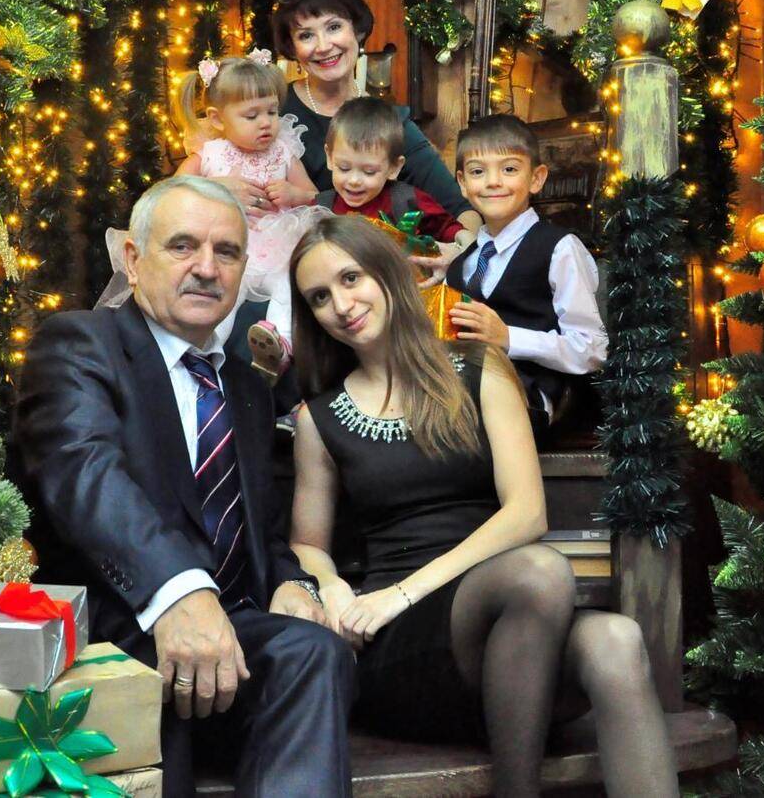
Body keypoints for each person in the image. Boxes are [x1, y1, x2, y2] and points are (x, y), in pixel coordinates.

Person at [286, 216, 678, 798]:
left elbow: (527, 514)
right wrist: (332, 585)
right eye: (320, 297)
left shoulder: (480, 368)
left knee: (616, 641)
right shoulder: (317, 418)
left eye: (351, 278)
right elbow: (307, 544)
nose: (341, 305)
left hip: (498, 617)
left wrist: (404, 591)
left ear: (389, 275)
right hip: (404, 648)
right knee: (538, 571)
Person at [14, 177, 355, 797]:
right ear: (133, 259)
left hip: (232, 639)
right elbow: (85, 475)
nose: (206, 268)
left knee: (313, 651)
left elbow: (259, 528)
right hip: (119, 638)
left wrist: (291, 582)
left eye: (227, 252)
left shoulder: (246, 387)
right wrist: (178, 593)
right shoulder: (80, 344)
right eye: (182, 246)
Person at [271, 0, 477, 235]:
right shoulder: (272, 109)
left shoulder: (390, 122)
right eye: (306, 35)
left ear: (357, 31)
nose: (323, 46)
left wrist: (458, 250)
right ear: (292, 48)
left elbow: (461, 212)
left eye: (334, 27)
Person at [443, 115, 607, 439]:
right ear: (462, 183)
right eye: (478, 171)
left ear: (536, 178)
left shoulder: (559, 249)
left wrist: (508, 337)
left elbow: (592, 350)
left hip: (535, 401)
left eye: (509, 169)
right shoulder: (460, 266)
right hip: (463, 396)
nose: (493, 182)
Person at [172, 51, 328, 381]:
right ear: (217, 119)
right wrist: (213, 186)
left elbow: (315, 196)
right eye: (251, 115)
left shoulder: (283, 152)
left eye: (272, 111)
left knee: (289, 282)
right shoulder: (210, 154)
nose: (266, 122)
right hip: (229, 250)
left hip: (278, 248)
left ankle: (278, 346)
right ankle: (204, 350)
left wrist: (293, 193)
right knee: (222, 294)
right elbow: (173, 192)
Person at [316, 96, 474, 249]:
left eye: (369, 172)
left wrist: (463, 240)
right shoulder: (318, 209)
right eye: (344, 168)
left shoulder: (408, 201)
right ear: (329, 157)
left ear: (394, 168)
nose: (354, 180)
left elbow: (447, 228)